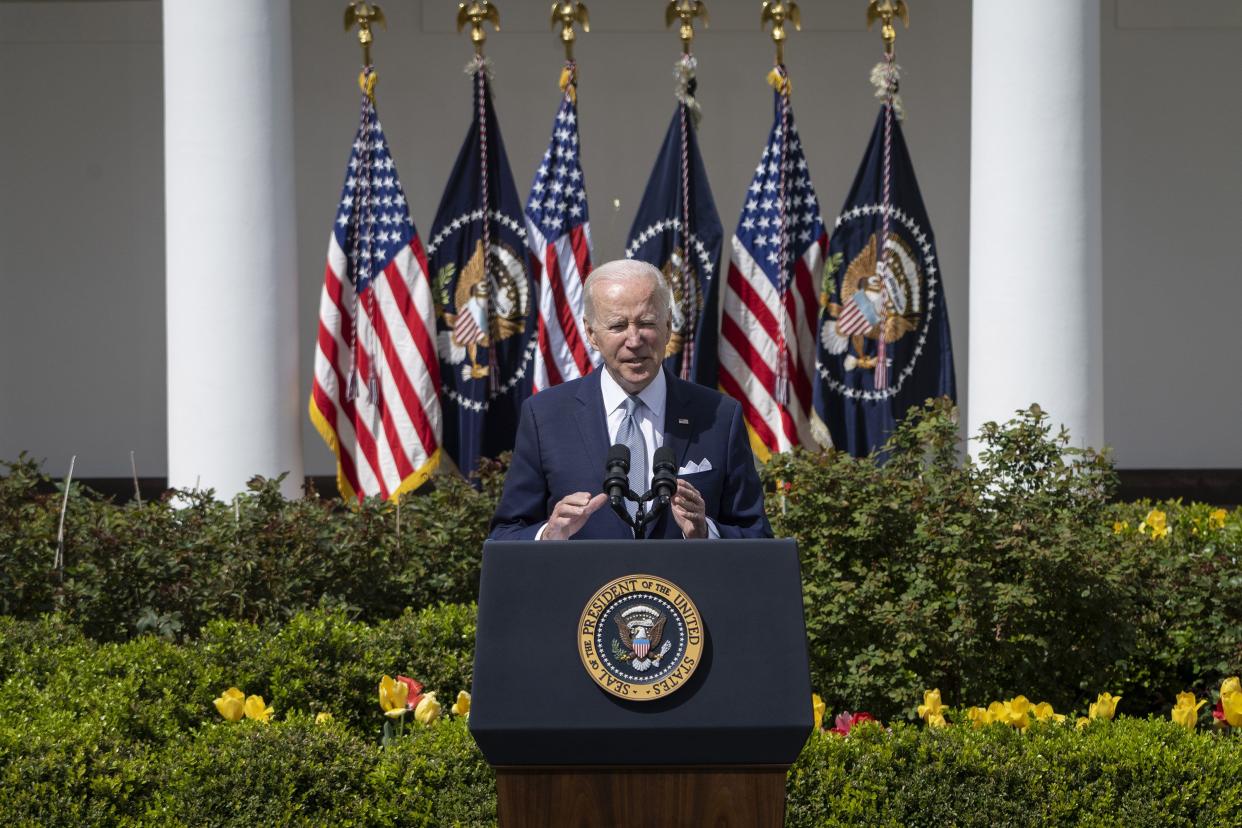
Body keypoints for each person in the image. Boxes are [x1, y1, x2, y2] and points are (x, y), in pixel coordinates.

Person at [488, 259, 772, 540]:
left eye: (647, 322)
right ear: (590, 333)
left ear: (668, 326)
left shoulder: (720, 415)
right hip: (586, 585)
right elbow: (505, 535)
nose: (634, 340)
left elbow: (756, 536)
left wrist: (705, 533)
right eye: (617, 326)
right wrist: (549, 535)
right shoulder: (545, 415)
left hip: (686, 585)